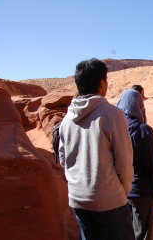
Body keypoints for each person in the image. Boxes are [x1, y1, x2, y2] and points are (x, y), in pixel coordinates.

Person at [58, 58, 135, 240]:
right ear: (102, 83)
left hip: (78, 199)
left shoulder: (66, 120)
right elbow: (124, 161)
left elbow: (63, 159)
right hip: (108, 200)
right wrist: (122, 191)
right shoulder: (112, 114)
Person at [117, 89, 153, 240]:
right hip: (143, 192)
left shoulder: (116, 129)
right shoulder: (142, 130)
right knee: (142, 233)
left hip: (121, 191)